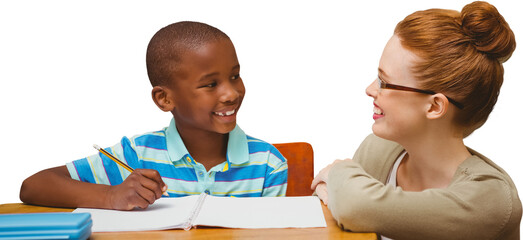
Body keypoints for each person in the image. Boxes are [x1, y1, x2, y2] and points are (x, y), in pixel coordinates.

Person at [20, 21, 288, 210]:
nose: (231, 93)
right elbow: (33, 186)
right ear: (164, 99)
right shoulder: (136, 155)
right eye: (210, 84)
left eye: (234, 76)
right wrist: (112, 196)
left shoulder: (268, 164)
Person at [311, 1, 521, 239]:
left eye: (384, 82)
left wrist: (338, 171)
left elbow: (352, 205)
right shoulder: (378, 150)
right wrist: (341, 192)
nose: (370, 90)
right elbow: (335, 214)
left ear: (434, 106)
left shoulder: (492, 198)